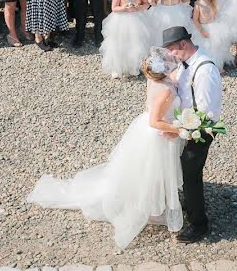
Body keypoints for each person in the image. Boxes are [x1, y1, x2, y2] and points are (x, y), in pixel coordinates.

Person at [27, 47, 185, 248]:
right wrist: (179, 129)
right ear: (163, 68)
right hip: (158, 134)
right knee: (153, 172)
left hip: (143, 128)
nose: (173, 58)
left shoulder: (155, 80)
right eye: (170, 59)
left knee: (147, 172)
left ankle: (154, 203)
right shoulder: (166, 90)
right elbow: (155, 121)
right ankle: (150, 208)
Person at [162, 26, 223, 243]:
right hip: (187, 127)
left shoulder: (205, 69)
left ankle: (199, 224)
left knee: (191, 175)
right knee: (186, 172)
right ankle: (190, 204)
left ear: (184, 44)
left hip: (200, 131)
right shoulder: (186, 64)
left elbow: (206, 110)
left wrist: (185, 131)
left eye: (172, 50)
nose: (171, 55)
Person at [100, 0, 153, 78]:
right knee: (119, 43)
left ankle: (134, 66)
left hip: (137, 18)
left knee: (136, 43)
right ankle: (117, 67)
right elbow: (114, 8)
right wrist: (123, 8)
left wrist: (138, 7)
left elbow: (146, 4)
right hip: (121, 18)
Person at [190, 0, 231, 69]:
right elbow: (195, 19)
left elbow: (216, 15)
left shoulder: (213, 3)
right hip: (202, 28)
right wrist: (201, 31)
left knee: (215, 47)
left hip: (213, 26)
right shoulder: (198, 4)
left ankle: (217, 65)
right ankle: (203, 65)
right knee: (204, 47)